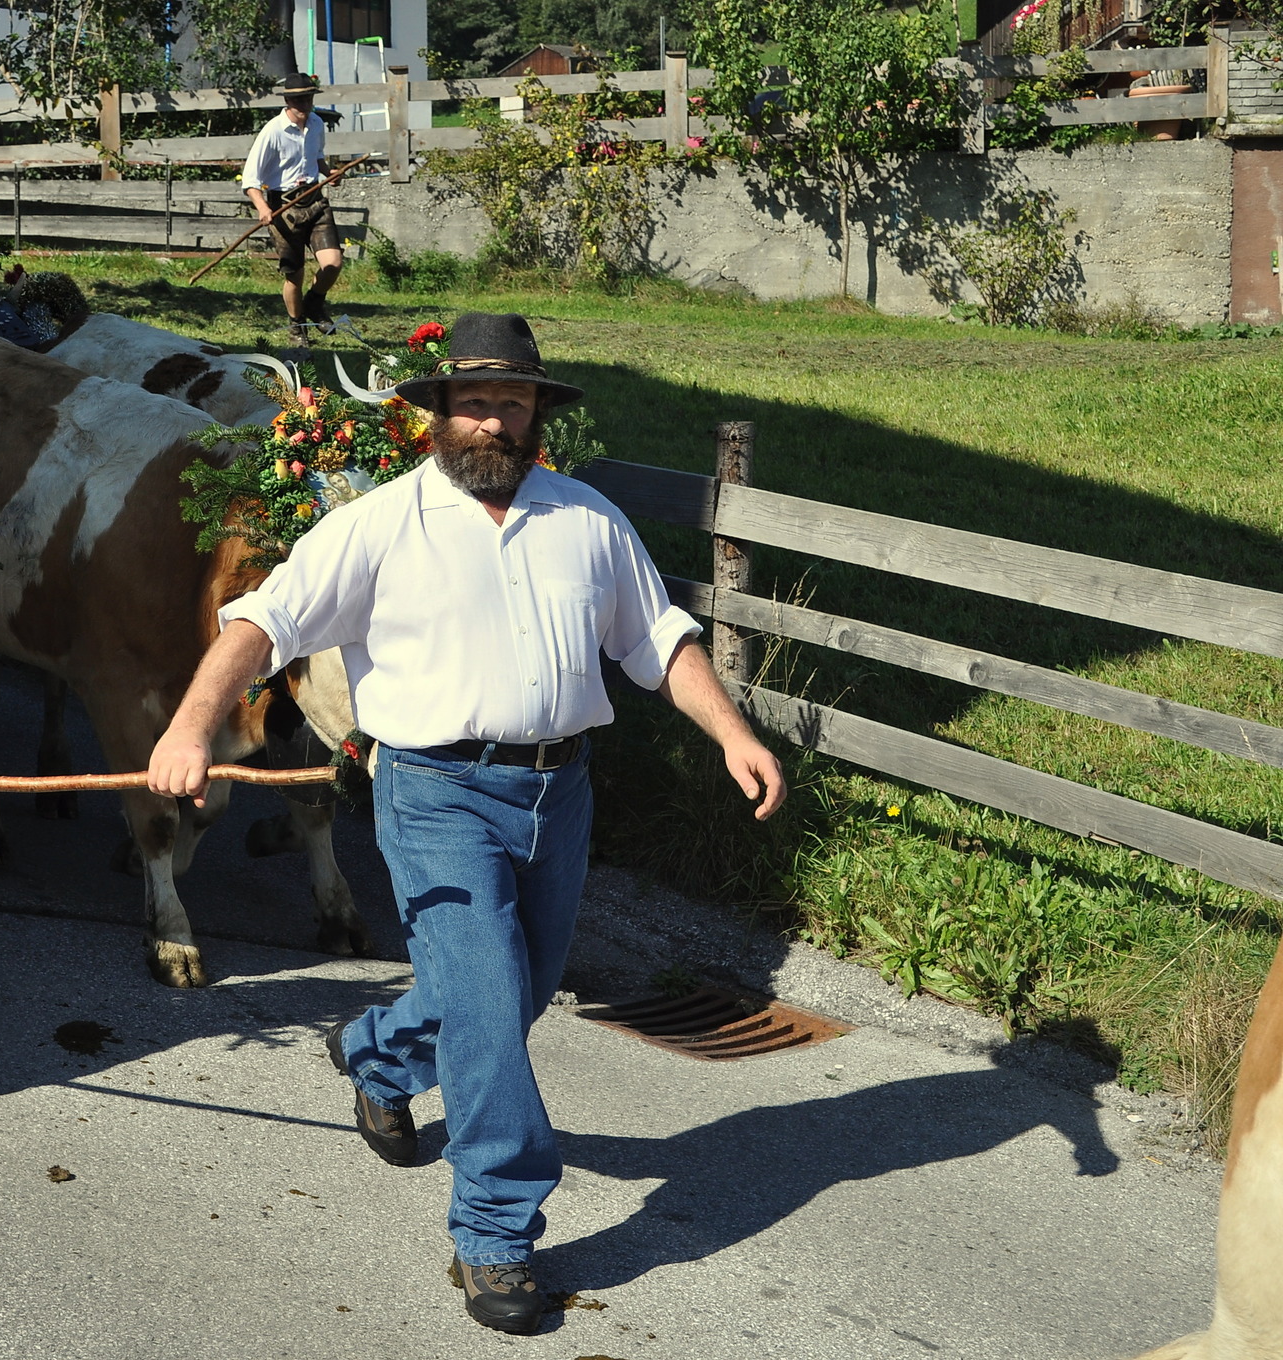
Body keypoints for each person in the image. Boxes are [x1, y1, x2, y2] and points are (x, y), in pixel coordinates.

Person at [147, 313, 788, 1335]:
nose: (494, 420)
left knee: (509, 992)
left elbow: (659, 640)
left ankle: (376, 1052)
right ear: (436, 415)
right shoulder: (378, 525)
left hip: (556, 791)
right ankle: (494, 1233)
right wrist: (189, 725)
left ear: (538, 413)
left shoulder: (585, 520)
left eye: (514, 402)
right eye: (474, 402)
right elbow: (258, 622)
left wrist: (729, 732)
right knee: (487, 993)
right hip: (432, 791)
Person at [241, 72, 344, 346]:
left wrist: (328, 173)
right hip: (283, 207)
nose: (303, 103)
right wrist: (262, 207)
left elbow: (317, 158)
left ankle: (314, 303)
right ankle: (297, 326)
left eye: (307, 97)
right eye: (298, 98)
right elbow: (250, 179)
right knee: (294, 274)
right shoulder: (273, 131)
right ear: (287, 100)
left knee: (333, 263)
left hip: (315, 199)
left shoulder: (317, 124)